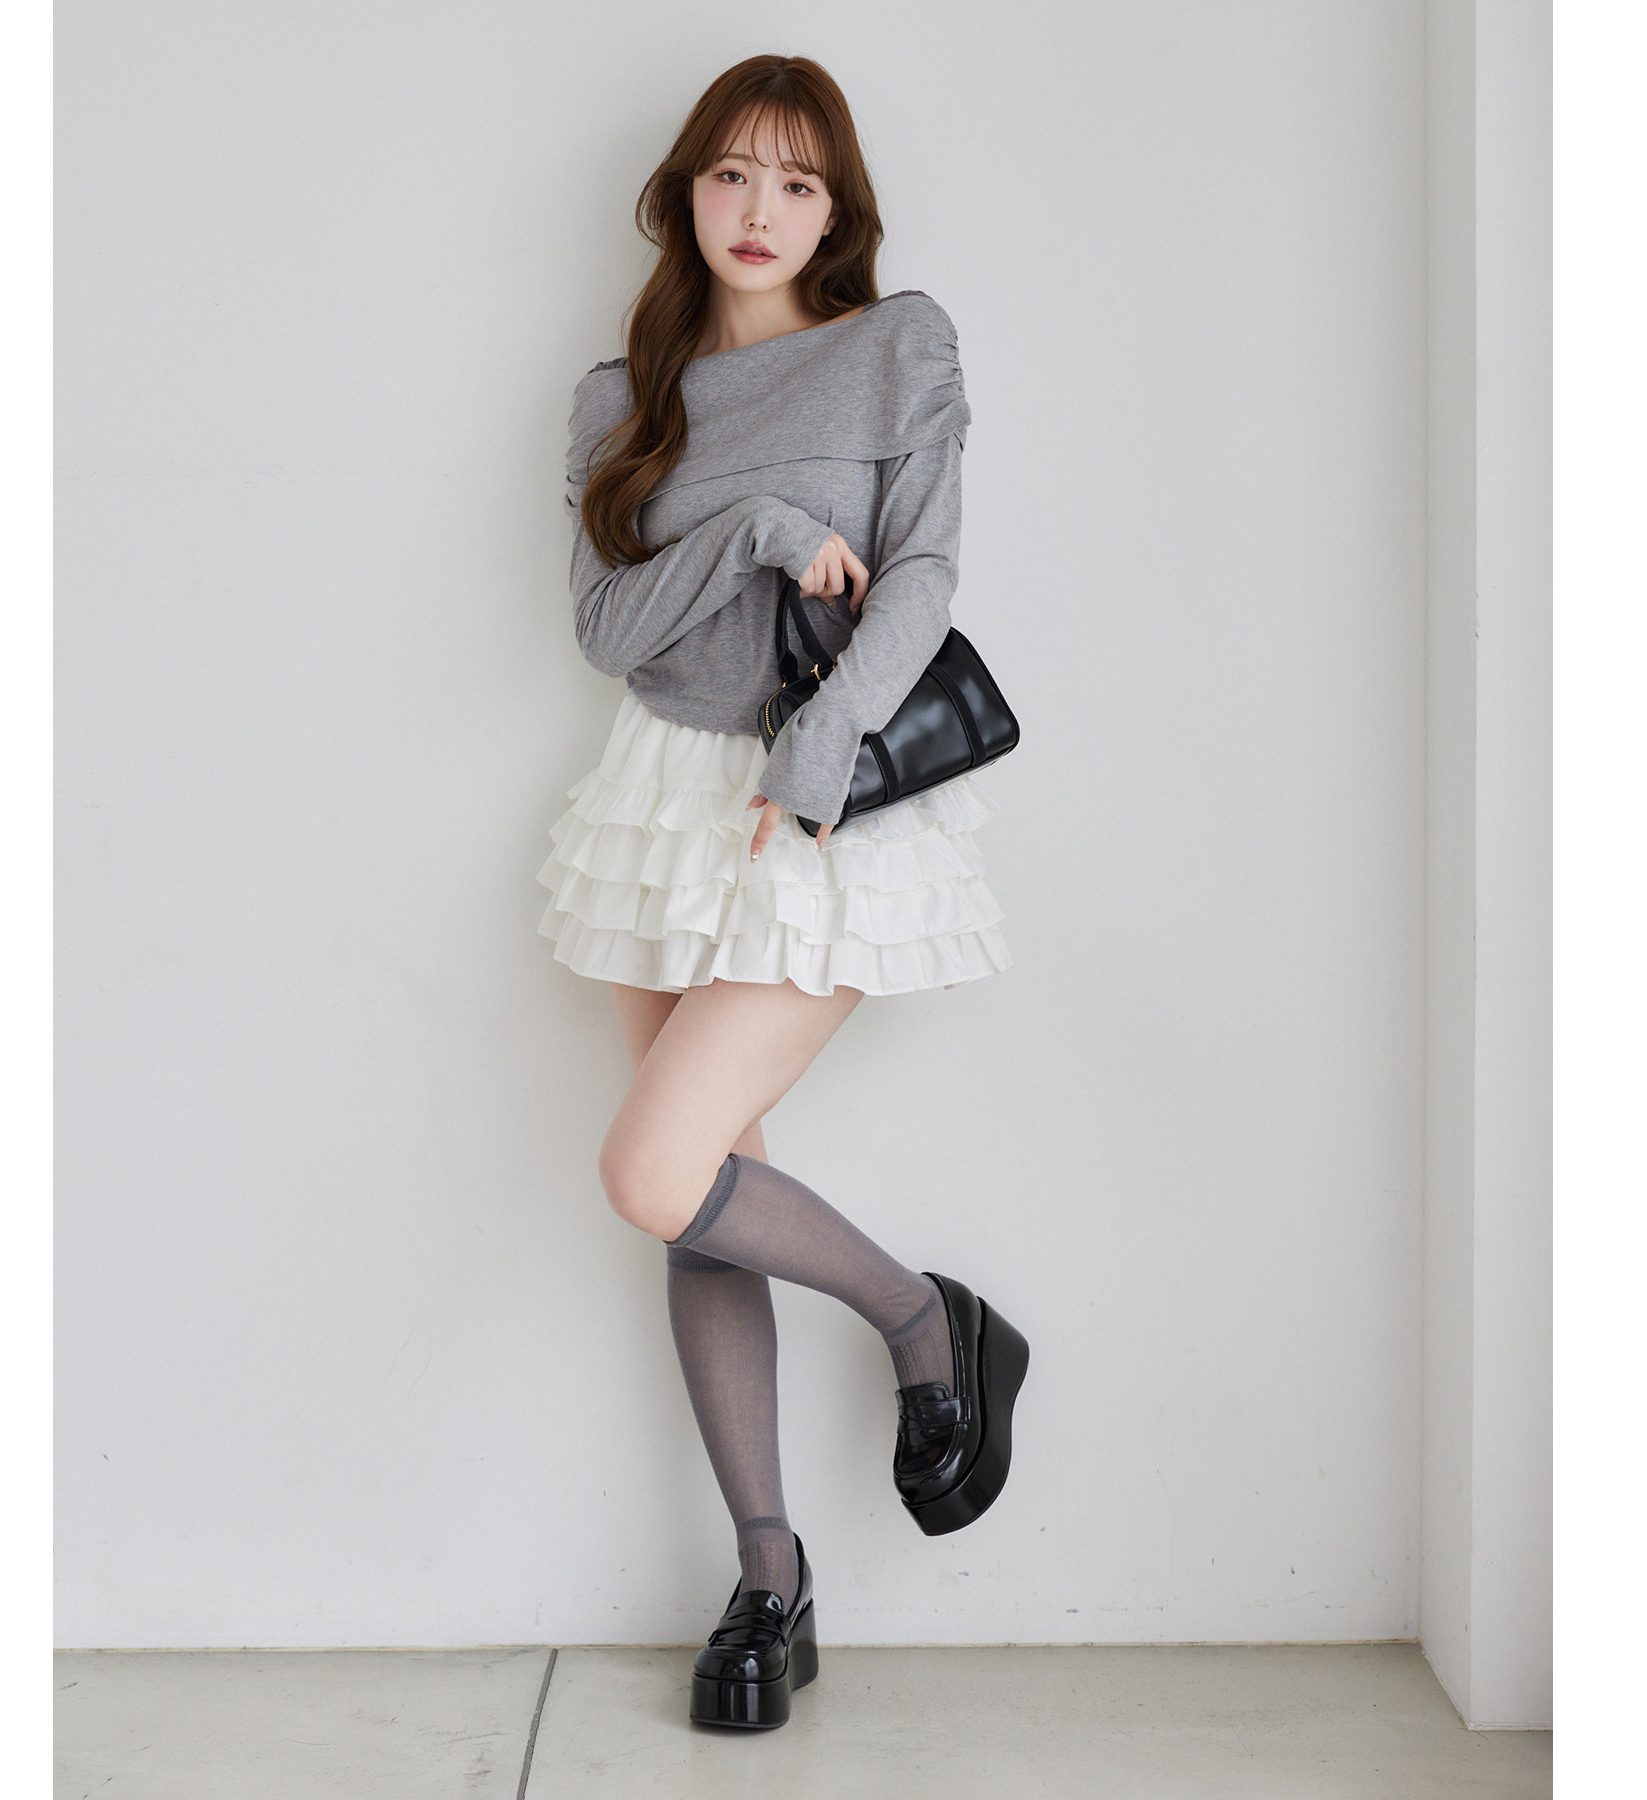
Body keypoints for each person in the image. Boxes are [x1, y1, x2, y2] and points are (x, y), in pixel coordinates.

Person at [537, 54, 1029, 1731]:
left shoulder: (900, 346)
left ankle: (926, 1319)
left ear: (839, 212)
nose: (760, 210)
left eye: (798, 183)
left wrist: (815, 757)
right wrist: (747, 523)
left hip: (821, 797)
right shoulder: (624, 397)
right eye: (733, 175)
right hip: (659, 796)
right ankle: (769, 1577)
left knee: (653, 1169)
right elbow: (609, 629)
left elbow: (925, 571)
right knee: (704, 1187)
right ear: (685, 192)